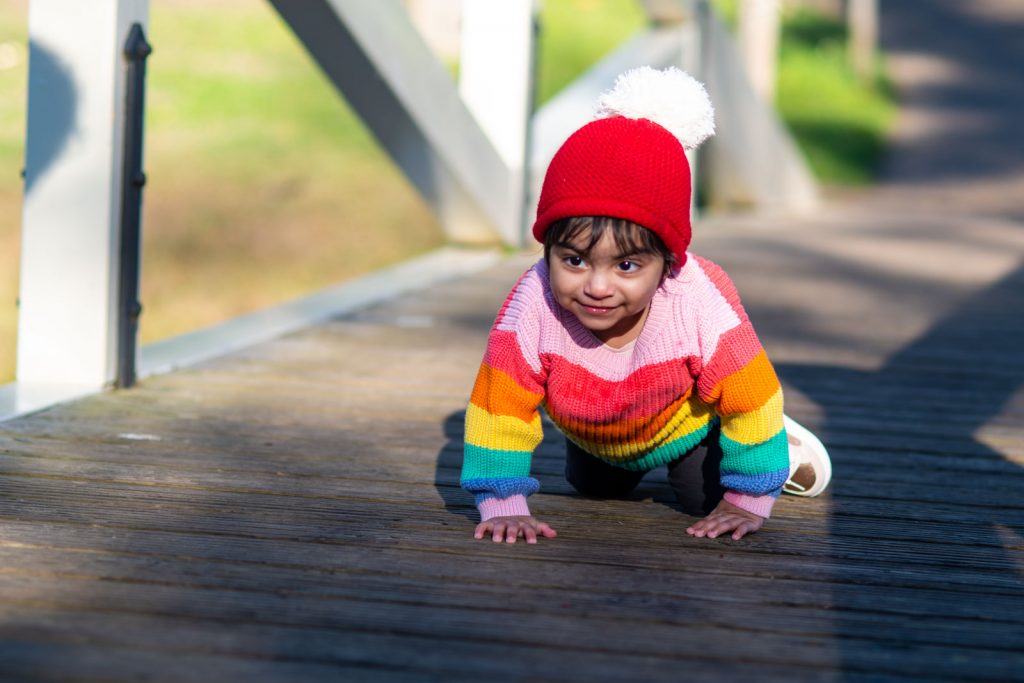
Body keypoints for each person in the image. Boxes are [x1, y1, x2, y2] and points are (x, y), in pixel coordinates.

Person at [460, 66, 831, 544]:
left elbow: (753, 395)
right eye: (574, 259)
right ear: (548, 248)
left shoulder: (698, 301)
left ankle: (777, 447)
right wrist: (502, 504)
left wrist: (748, 498)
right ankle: (612, 464)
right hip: (596, 433)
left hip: (684, 425)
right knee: (592, 488)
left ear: (668, 263)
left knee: (703, 496)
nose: (597, 286)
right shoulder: (531, 306)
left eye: (627, 266)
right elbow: (499, 408)